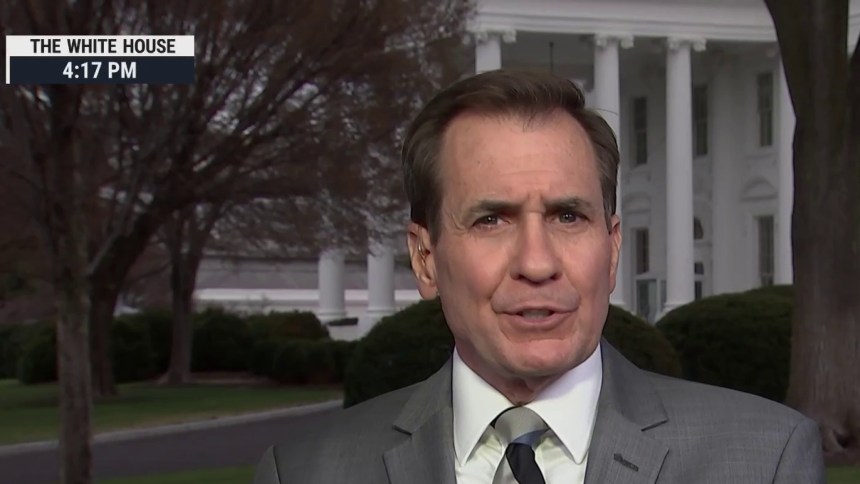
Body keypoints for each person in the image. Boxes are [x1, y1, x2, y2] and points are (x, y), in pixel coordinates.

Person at [253, 69, 825, 484]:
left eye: (568, 216)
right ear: (425, 258)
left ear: (612, 247)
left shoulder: (763, 459)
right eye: (492, 219)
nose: (537, 262)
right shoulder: (306, 472)